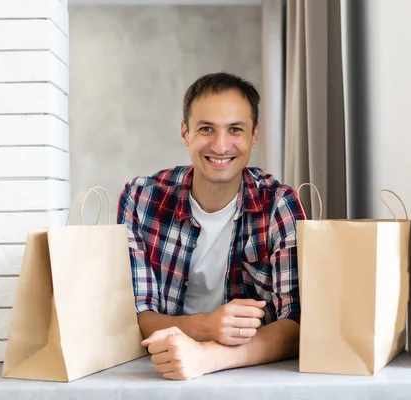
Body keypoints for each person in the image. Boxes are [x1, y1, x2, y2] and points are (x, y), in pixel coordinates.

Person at [117, 72, 306, 380]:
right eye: (206, 129)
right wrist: (207, 325)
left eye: (235, 129)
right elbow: (138, 316)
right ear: (185, 133)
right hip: (156, 368)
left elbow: (297, 323)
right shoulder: (140, 198)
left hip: (254, 374)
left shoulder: (278, 204)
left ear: (254, 135)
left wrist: (207, 357)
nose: (220, 146)